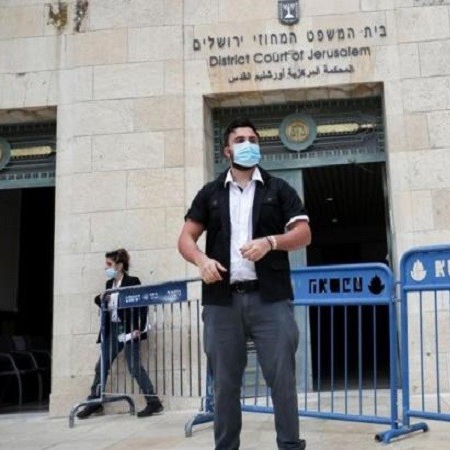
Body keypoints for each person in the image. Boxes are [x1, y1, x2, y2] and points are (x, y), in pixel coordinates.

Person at [178, 118, 311, 450]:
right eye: (240, 140)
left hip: (271, 301)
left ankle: (290, 445)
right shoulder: (210, 193)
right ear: (227, 150)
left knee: (282, 381)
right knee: (225, 385)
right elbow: (186, 238)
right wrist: (201, 261)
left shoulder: (278, 189)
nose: (248, 144)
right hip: (222, 302)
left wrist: (270, 242)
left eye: (253, 139)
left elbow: (303, 233)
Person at [76, 249, 164, 419]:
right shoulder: (109, 284)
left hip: (129, 329)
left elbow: (142, 305)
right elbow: (100, 300)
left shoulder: (132, 281)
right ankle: (95, 402)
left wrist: (139, 328)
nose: (106, 267)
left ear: (120, 265)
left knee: (134, 366)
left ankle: (154, 402)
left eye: (109, 264)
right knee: (101, 365)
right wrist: (102, 298)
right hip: (114, 329)